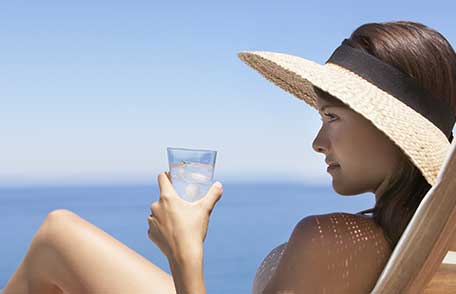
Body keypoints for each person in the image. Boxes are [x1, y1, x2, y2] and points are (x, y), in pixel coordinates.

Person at [3, 20, 456, 294]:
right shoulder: (430, 243)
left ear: (392, 130)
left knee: (54, 239)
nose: (318, 142)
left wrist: (185, 251)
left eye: (332, 118)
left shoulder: (335, 239)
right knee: (60, 234)